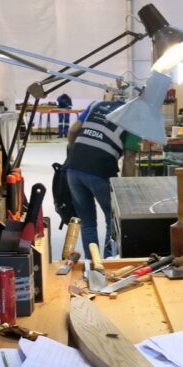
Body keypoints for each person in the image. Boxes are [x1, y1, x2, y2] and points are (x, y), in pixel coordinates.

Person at [64, 99, 138, 257]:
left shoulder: (95, 105)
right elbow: (129, 159)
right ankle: (107, 261)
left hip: (74, 168)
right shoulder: (134, 118)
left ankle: (92, 264)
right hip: (100, 170)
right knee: (113, 221)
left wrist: (72, 152)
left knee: (87, 222)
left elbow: (72, 130)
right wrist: (126, 190)